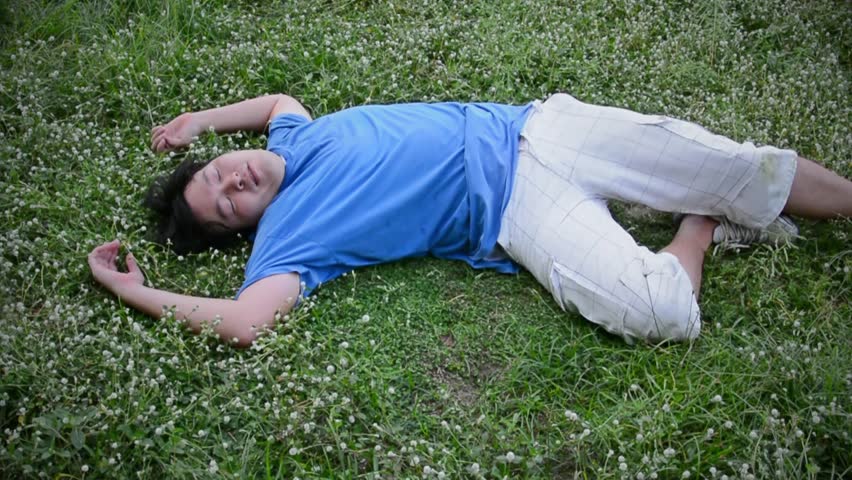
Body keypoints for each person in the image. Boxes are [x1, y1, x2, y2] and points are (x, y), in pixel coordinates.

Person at [87, 93, 852, 347]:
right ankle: (699, 226)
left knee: (745, 166)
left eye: (220, 175)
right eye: (227, 209)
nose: (233, 184)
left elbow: (272, 103)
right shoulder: (293, 239)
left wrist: (200, 124)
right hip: (516, 210)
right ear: (246, 229)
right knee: (656, 310)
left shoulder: (296, 130)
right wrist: (134, 292)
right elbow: (247, 321)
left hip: (533, 128)